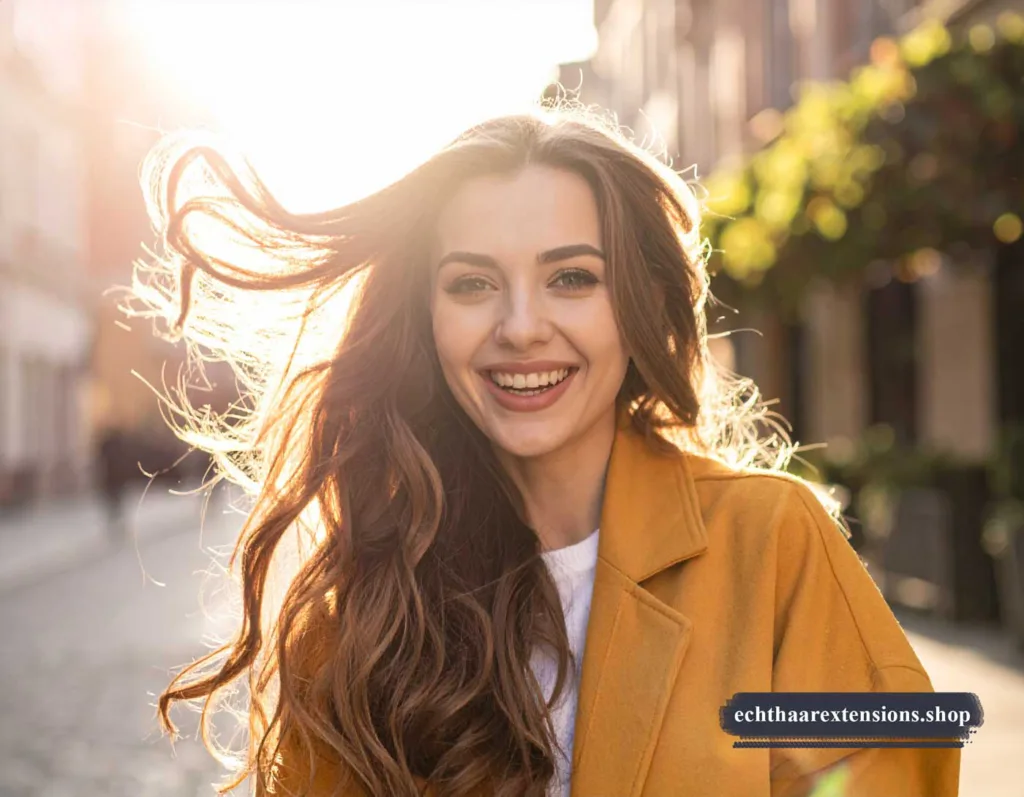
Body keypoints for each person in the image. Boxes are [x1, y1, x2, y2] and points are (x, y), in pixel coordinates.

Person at [140, 109, 960, 796]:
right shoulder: (362, 605)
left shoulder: (772, 541)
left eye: (572, 278)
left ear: (635, 305)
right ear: (425, 320)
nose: (521, 325)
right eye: (472, 283)